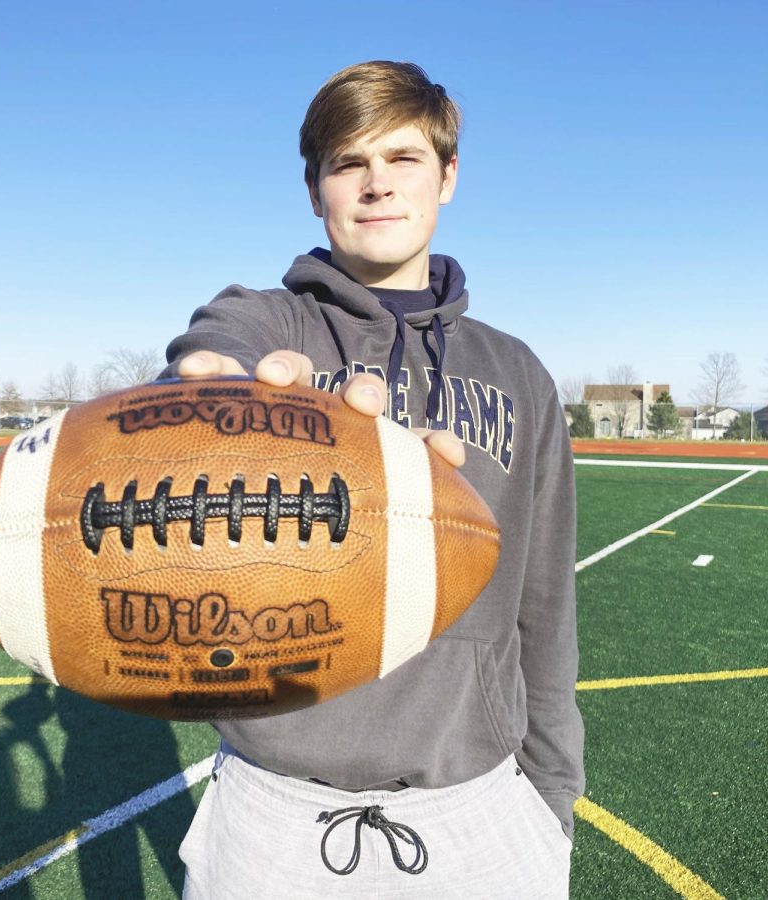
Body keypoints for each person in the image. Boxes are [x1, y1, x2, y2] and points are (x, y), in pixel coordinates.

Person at [164, 60, 584, 898]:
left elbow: (545, 605)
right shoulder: (269, 320)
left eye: (403, 159)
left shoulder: (517, 372)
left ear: (448, 176)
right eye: (349, 164)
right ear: (315, 188)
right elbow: (215, 354)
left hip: (482, 813)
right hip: (276, 815)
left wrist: (551, 805)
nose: (377, 185)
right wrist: (207, 389)